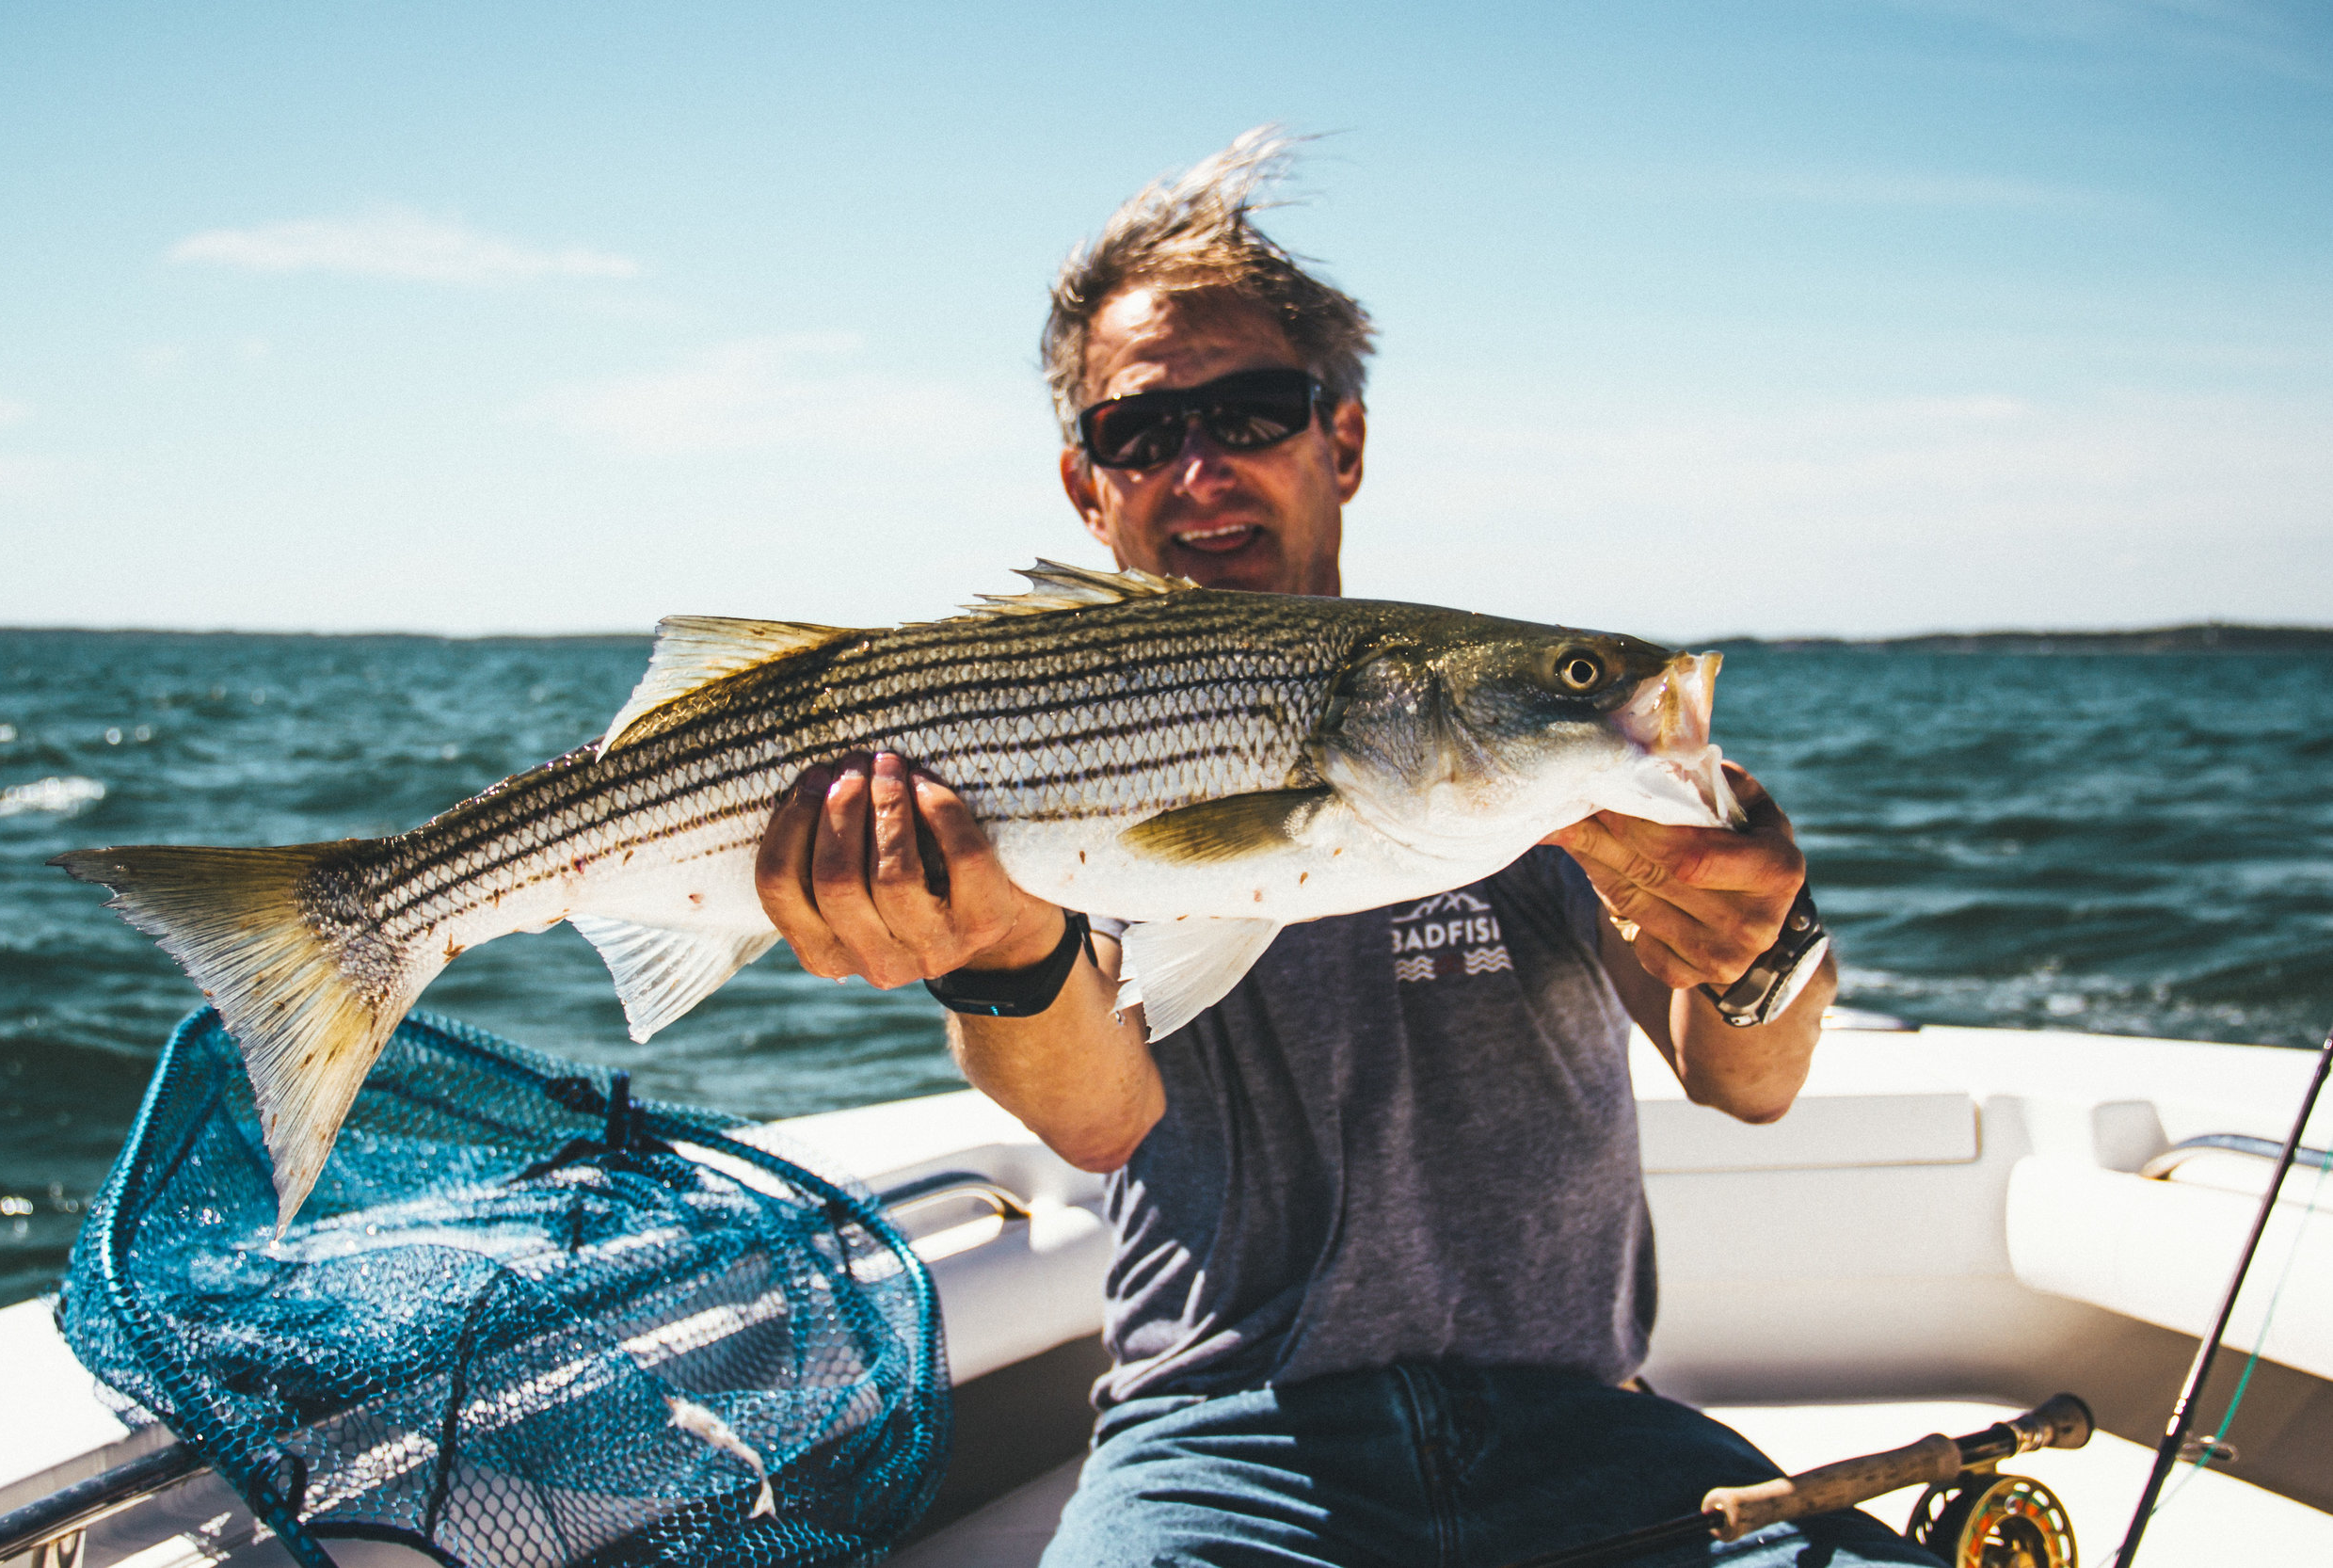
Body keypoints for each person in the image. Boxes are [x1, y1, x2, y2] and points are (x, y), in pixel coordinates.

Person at [755, 131, 1941, 1568]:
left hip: (1587, 1427)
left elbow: (1744, 1076)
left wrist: (1767, 940)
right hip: (1221, 1441)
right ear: (1087, 486)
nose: (1198, 468)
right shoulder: (1047, 756)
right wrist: (1004, 952)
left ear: (1345, 439)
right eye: (1140, 433)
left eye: (1253, 409)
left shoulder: (1538, 756)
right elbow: (1094, 1119)